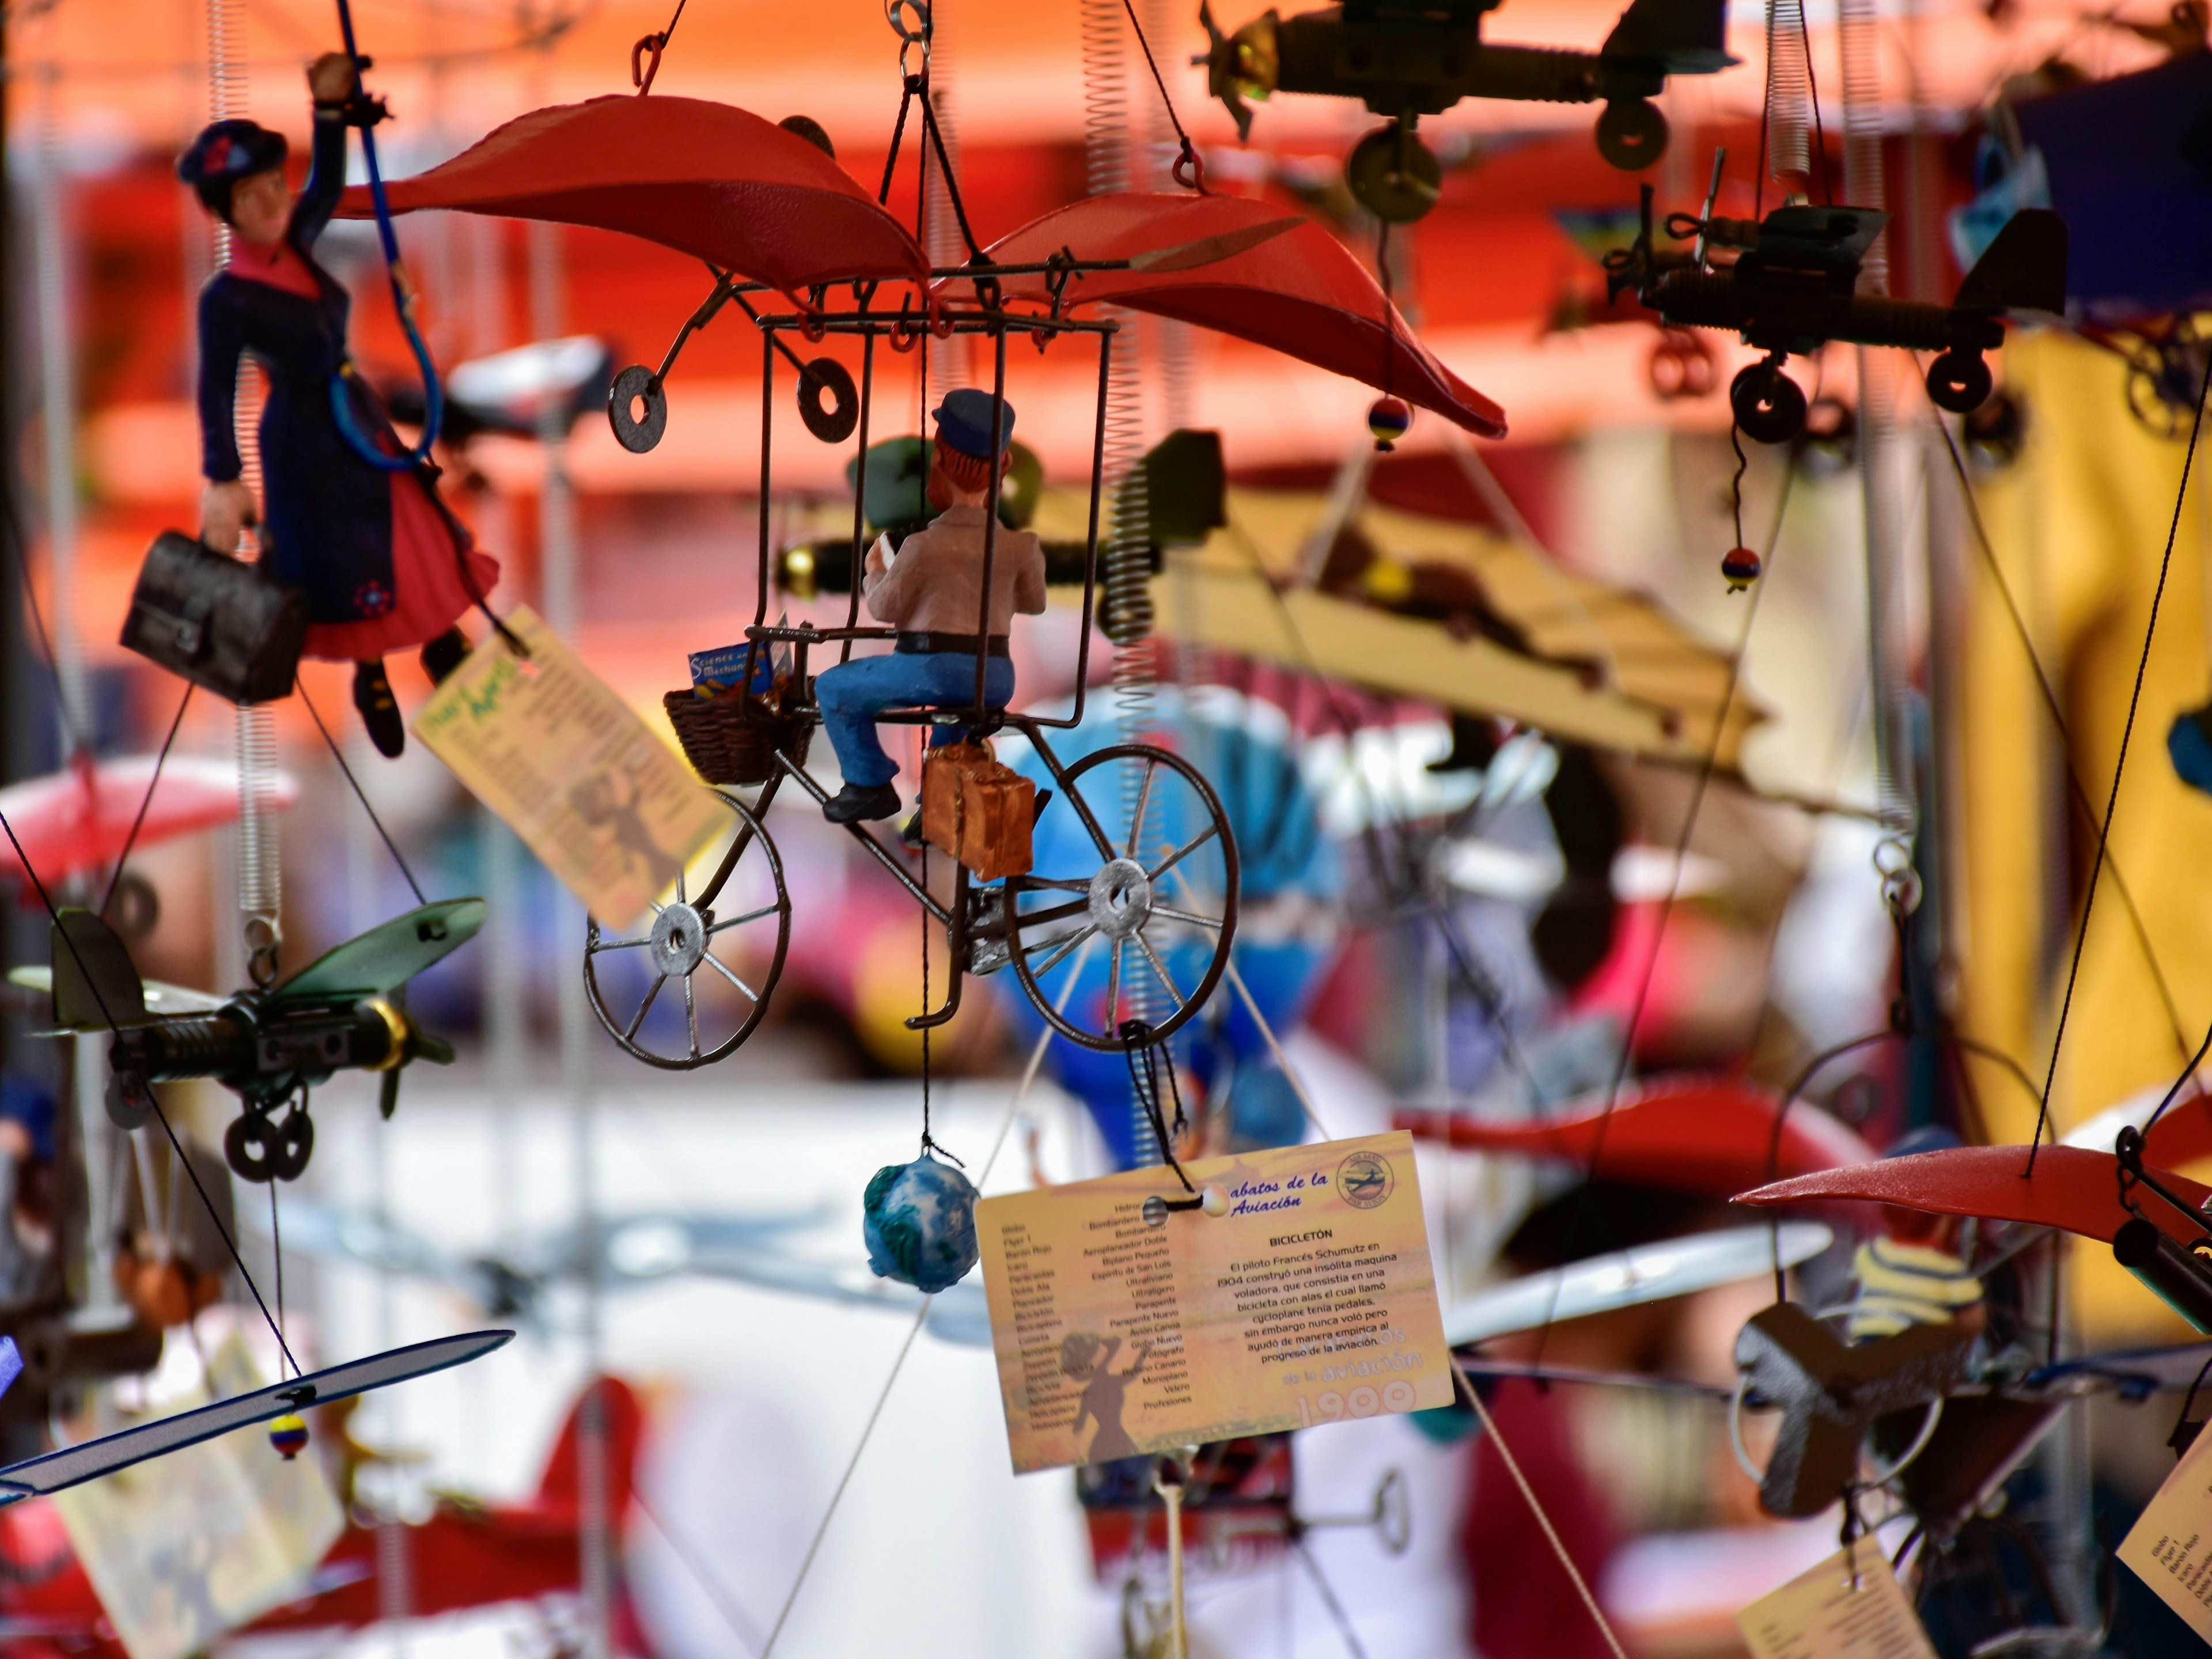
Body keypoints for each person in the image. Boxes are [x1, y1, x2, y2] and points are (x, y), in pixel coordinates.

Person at [179, 52, 501, 759]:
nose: (269, 205)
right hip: (302, 435)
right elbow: (216, 389)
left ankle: (441, 633)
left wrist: (328, 113)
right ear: (226, 212)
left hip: (354, 407)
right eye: (250, 198)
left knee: (408, 523)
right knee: (343, 556)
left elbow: (325, 184)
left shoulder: (297, 240)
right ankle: (372, 672)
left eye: (271, 187)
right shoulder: (228, 300)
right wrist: (222, 477)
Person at [813, 389, 1047, 823]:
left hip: (932, 671)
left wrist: (876, 568)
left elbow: (884, 608)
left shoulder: (923, 547)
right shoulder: (1022, 546)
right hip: (996, 676)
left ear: (940, 461)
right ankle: (937, 808)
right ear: (1002, 471)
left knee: (833, 688)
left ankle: (869, 781)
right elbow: (1034, 603)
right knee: (952, 723)